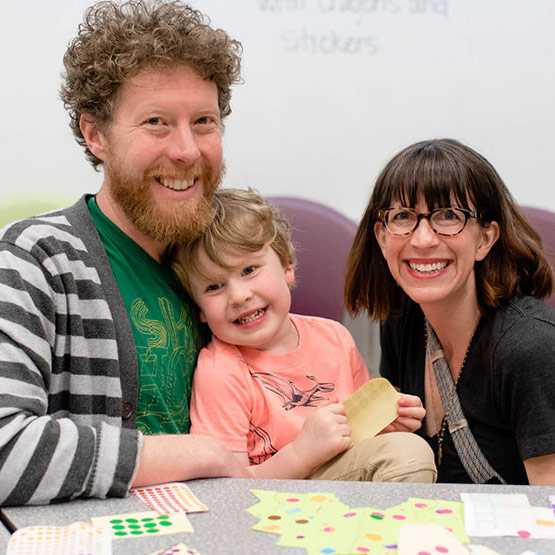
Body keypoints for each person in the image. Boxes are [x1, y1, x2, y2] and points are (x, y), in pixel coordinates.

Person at [0, 0, 248, 506]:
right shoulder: (36, 259)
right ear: (96, 136)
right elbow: (5, 451)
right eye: (156, 122)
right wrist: (201, 454)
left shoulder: (220, 265)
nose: (186, 150)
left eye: (203, 121)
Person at [172, 188, 437, 482]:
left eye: (249, 270)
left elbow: (359, 435)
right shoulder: (220, 371)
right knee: (408, 455)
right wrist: (301, 454)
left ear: (287, 267)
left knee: (405, 449)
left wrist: (386, 422)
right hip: (274, 503)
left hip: (341, 489)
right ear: (198, 310)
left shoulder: (334, 337)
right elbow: (226, 486)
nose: (238, 295)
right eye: (213, 287)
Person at [344, 138, 555, 485]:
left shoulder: (531, 349)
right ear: (382, 237)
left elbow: (549, 513)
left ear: (485, 239)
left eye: (448, 216)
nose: (423, 239)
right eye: (403, 217)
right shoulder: (402, 321)